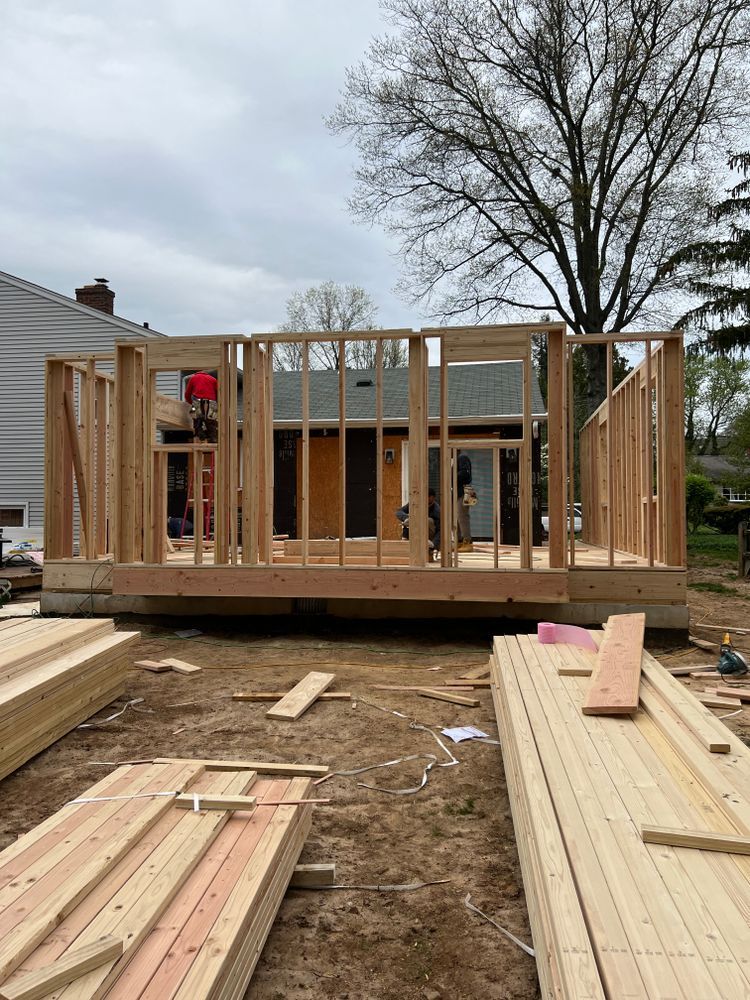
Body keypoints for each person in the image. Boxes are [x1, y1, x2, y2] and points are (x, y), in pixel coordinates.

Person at [395, 488, 441, 557]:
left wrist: (434, 544)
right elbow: (399, 511)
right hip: (416, 532)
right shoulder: (416, 503)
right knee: (412, 519)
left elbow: (439, 531)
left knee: (427, 520)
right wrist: (407, 518)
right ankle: (406, 540)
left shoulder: (436, 510)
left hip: (429, 536)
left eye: (426, 497)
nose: (423, 499)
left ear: (432, 498)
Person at [184, 371, 218, 443]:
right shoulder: (213, 379)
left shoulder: (193, 378)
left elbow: (187, 393)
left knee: (197, 420)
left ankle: (200, 434)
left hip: (198, 401)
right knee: (211, 422)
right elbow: (218, 393)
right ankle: (213, 438)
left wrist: (191, 402)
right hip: (211, 402)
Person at [457, 451, 473, 551]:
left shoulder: (462, 458)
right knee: (457, 518)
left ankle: (467, 542)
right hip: (457, 492)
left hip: (462, 492)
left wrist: (452, 476)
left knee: (462, 517)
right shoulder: (457, 459)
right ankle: (459, 541)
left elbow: (465, 474)